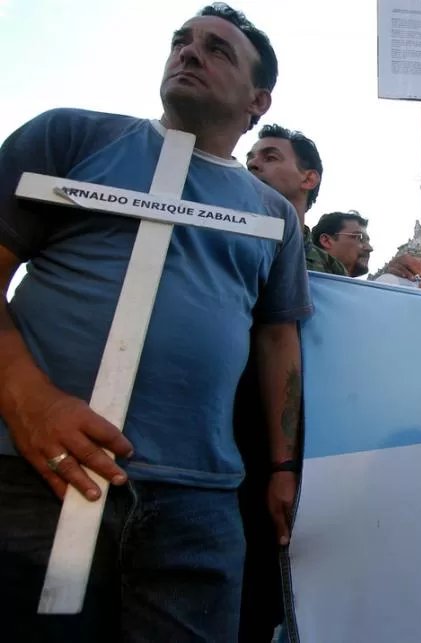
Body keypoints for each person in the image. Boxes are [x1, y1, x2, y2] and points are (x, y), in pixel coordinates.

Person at [0, 4, 310, 640]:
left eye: (218, 49)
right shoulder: (69, 138)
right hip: (40, 475)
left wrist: (282, 469)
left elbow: (279, 339)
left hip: (198, 504)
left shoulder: (274, 216)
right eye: (182, 42)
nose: (190, 53)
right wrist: (29, 401)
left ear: (259, 99)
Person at [246, 124, 355, 276]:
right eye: (250, 158)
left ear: (309, 179)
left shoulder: (331, 269)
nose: (252, 164)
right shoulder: (226, 239)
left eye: (270, 158)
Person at [308, 211, 373, 277]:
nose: (369, 248)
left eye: (367, 241)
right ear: (326, 241)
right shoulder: (304, 276)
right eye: (359, 238)